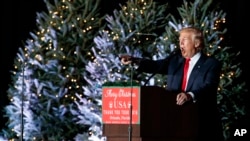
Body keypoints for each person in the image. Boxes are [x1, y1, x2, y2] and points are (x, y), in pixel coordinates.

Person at [120, 26, 223, 141]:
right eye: (179, 41)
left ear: (197, 43)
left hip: (200, 122)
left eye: (184, 40)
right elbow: (155, 65)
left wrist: (190, 95)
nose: (180, 44)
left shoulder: (211, 64)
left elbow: (209, 87)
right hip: (174, 121)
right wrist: (134, 60)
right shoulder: (175, 61)